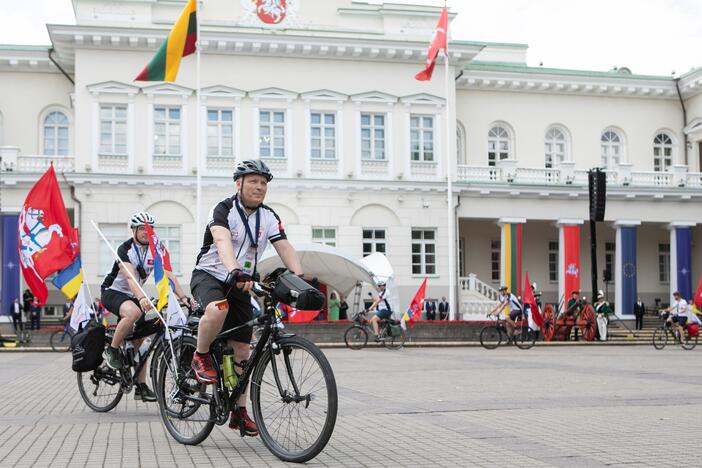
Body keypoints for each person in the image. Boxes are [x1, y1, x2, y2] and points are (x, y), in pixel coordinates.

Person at [189, 159, 303, 437]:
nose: (260, 187)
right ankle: (200, 356)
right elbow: (222, 242)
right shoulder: (224, 209)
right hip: (211, 275)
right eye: (254, 181)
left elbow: (284, 246)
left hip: (241, 282)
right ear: (238, 184)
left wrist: (300, 278)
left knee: (243, 350)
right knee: (217, 310)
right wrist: (235, 270)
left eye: (264, 183)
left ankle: (239, 411)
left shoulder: (268, 216)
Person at [100, 211, 193, 402]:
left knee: (141, 343)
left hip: (135, 295)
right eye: (142, 228)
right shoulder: (125, 249)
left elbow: (167, 275)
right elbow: (129, 277)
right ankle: (113, 349)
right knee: (133, 312)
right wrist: (142, 298)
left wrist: (183, 297)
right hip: (113, 292)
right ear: (133, 230)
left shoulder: (155, 249)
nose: (146, 232)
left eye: (149, 228)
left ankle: (140, 386)